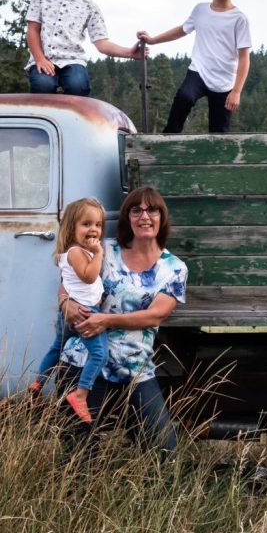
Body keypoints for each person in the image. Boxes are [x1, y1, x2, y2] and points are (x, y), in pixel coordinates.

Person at [59, 187, 187, 452]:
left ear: (162, 217)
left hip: (134, 367)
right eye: (136, 210)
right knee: (78, 451)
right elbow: (68, 284)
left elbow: (156, 314)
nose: (144, 216)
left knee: (165, 452)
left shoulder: (174, 268)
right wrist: (66, 303)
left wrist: (106, 321)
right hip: (85, 360)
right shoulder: (103, 250)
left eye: (152, 210)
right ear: (127, 217)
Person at [137, 0, 252, 133]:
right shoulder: (200, 10)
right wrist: (153, 40)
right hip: (199, 71)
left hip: (224, 81)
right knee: (184, 97)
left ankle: (217, 158)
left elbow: (244, 58)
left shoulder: (239, 19)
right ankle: (168, 139)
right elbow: (181, 30)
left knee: (219, 132)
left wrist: (236, 91)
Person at [29, 198, 107, 424]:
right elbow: (89, 276)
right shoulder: (76, 252)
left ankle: (38, 382)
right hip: (83, 313)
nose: (93, 230)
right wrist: (99, 253)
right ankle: (80, 394)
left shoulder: (78, 251)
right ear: (71, 228)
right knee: (100, 354)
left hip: (71, 312)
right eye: (86, 224)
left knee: (57, 347)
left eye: (98, 225)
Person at [25, 0, 142, 96]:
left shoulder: (89, 7)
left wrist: (129, 53)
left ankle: (73, 117)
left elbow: (102, 43)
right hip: (43, 59)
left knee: (77, 85)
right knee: (43, 84)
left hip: (72, 60)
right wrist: (40, 59)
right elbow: (33, 29)